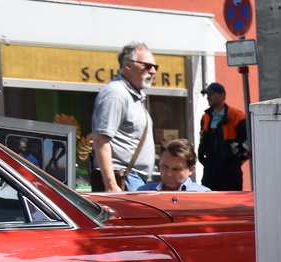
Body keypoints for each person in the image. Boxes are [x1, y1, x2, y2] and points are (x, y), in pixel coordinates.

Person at [88, 41, 156, 191]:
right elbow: (101, 140)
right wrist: (111, 185)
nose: (153, 71)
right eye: (147, 65)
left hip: (133, 178)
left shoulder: (134, 95)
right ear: (128, 65)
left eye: (155, 67)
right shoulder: (116, 93)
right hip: (123, 179)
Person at [196, 82, 249, 191]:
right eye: (207, 94)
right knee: (208, 201)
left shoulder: (237, 116)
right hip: (210, 170)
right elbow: (203, 141)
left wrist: (237, 162)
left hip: (230, 173)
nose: (208, 97)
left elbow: (249, 142)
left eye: (211, 94)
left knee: (231, 203)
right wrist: (203, 159)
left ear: (222, 96)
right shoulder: (206, 117)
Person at [139, 138, 210, 192]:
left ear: (191, 170)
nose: (169, 174)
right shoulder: (144, 193)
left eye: (176, 169)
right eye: (165, 167)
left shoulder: (203, 195)